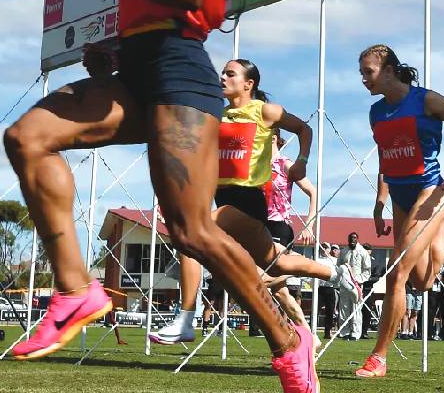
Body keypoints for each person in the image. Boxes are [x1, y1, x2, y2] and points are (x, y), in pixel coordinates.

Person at [2, 0, 317, 392]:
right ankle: (76, 290)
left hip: (179, 73)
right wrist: (116, 47)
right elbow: (155, 5)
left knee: (191, 230)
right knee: (27, 137)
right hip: (141, 67)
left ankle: (290, 342)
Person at [150, 62, 355, 345]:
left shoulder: (265, 111)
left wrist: (302, 162)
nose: (222, 77)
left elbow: (304, 130)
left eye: (230, 73)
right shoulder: (217, 117)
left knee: (190, 235)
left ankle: (186, 318)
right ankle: (336, 273)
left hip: (248, 200)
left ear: (249, 84)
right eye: (222, 73)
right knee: (278, 264)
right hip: (222, 198)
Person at [354, 43, 444, 379]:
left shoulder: (427, 100)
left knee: (397, 271)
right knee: (422, 282)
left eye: (367, 73)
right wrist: (380, 201)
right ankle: (442, 233)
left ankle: (379, 358)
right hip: (399, 195)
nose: (363, 80)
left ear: (388, 70)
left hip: (430, 190)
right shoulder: (376, 113)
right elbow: (386, 159)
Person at [336, 232, 371, 340]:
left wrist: (358, 280)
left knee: (356, 309)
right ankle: (344, 332)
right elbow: (338, 266)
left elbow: (367, 270)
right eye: (351, 238)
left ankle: (355, 333)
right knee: (344, 308)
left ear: (357, 239)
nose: (352, 240)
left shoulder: (363, 252)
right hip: (345, 284)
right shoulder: (343, 251)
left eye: (354, 238)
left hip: (357, 285)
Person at [319, 243, 341, 338]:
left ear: (329, 250)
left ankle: (327, 332)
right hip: (319, 288)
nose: (323, 249)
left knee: (330, 311)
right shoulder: (317, 259)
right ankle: (310, 332)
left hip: (330, 288)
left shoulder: (334, 260)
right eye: (322, 247)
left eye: (325, 248)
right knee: (315, 310)